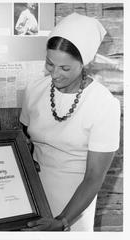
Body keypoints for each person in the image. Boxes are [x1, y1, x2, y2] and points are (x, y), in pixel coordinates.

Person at [20, 13, 120, 231]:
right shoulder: (35, 90)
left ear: (84, 63)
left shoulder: (104, 104)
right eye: (50, 64)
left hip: (75, 203)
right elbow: (24, 137)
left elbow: (94, 176)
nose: (54, 74)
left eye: (65, 68)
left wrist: (62, 221)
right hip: (34, 195)